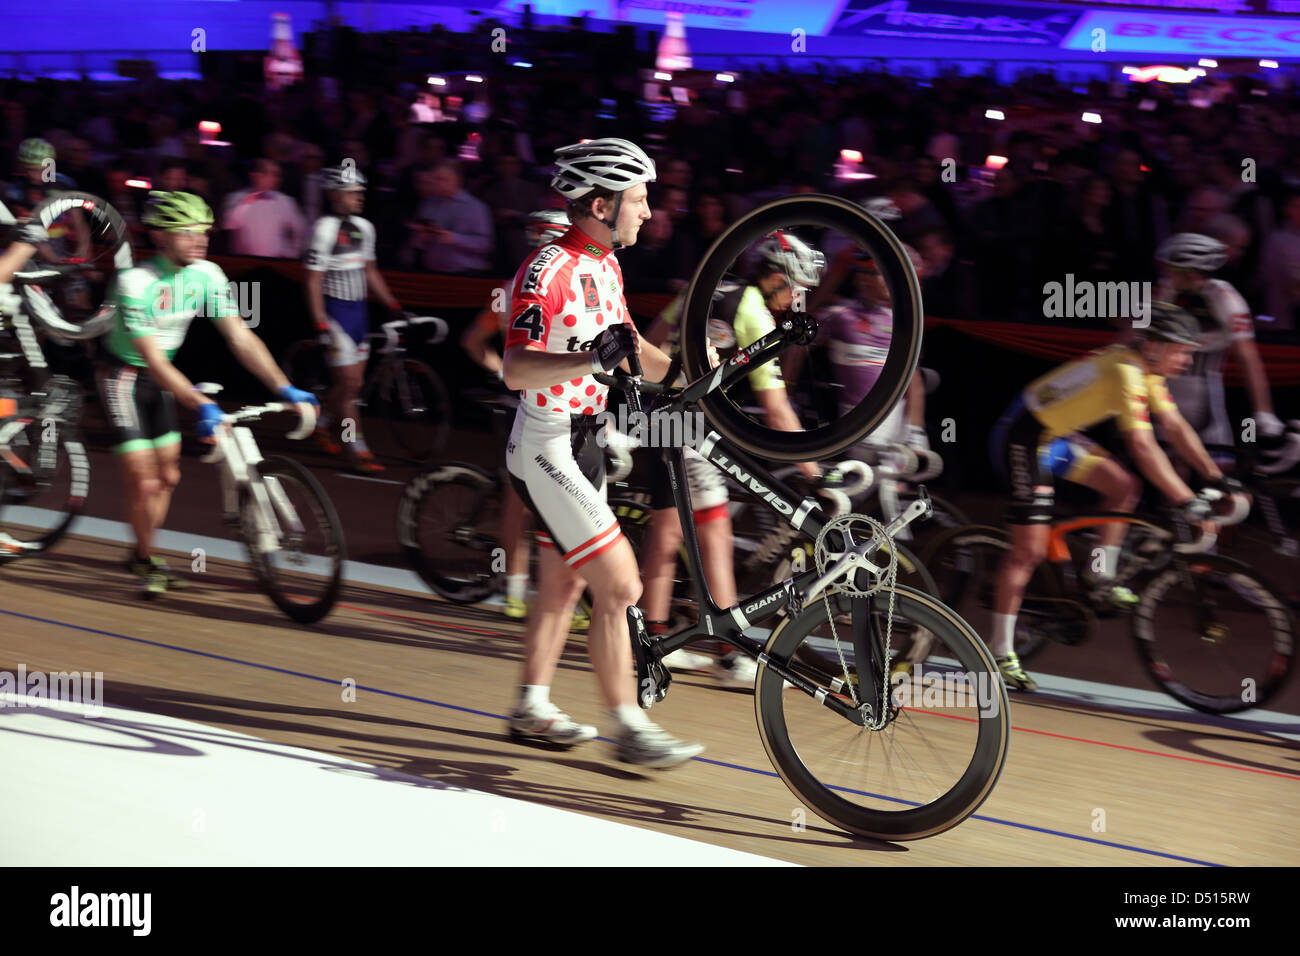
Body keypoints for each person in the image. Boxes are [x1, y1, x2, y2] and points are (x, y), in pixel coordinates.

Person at [501, 137, 702, 768]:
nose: (647, 212)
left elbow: (634, 348)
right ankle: (628, 726)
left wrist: (694, 379)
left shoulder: (607, 263)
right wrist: (591, 358)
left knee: (562, 585)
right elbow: (513, 368)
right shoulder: (548, 268)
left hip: (586, 439)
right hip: (547, 442)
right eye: (639, 199)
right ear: (599, 202)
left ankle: (530, 705)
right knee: (620, 584)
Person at [987, 303, 1229, 691]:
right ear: (1154, 346)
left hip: (1056, 436)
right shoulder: (1125, 371)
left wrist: (1217, 477)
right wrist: (1187, 501)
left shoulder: (1145, 369)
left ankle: (1098, 571)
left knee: (1124, 487)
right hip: (1024, 437)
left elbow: (1175, 425)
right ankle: (998, 651)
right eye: (1181, 350)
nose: (1187, 360)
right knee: (1027, 552)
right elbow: (1143, 445)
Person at [98, 191, 318, 597]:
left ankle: (137, 550)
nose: (201, 241)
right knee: (145, 482)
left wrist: (283, 386)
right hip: (124, 376)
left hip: (162, 376)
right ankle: (146, 559)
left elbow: (240, 335)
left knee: (169, 476)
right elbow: (155, 361)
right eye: (188, 233)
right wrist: (199, 403)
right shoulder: (134, 282)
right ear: (161, 237)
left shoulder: (210, 274)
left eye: (205, 233)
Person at [640, 231, 826, 686]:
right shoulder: (754, 312)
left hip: (655, 411)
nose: (798, 300)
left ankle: (654, 642)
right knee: (714, 536)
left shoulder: (706, 284)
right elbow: (779, 408)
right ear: (777, 277)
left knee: (668, 536)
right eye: (797, 288)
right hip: (683, 424)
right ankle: (729, 652)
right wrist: (816, 474)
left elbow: (651, 340)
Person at [460, 209, 587, 631]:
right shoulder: (527, 283)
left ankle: (548, 588)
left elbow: (476, 342)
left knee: (548, 497)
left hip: (550, 400)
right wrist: (506, 375)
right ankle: (517, 590)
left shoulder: (539, 279)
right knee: (522, 500)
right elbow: (475, 341)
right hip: (531, 400)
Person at [304, 166, 403, 474]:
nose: (360, 197)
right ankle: (356, 447)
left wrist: (391, 302)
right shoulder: (323, 229)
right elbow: (312, 281)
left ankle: (321, 423)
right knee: (350, 384)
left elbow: (370, 270)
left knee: (350, 386)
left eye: (361, 192)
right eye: (353, 193)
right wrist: (320, 320)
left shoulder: (365, 226)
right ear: (335, 195)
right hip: (335, 313)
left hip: (359, 313)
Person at [1153, 234, 1282, 456]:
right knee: (1169, 467)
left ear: (1191, 272)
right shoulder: (1165, 290)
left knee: (1222, 468)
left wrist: (1263, 411)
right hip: (1163, 394)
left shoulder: (1224, 297)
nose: (1167, 274)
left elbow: (1247, 356)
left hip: (1206, 398)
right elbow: (1132, 335)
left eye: (1172, 269)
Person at [221, 159, 308, 258]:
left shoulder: (285, 201)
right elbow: (228, 225)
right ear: (256, 175)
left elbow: (301, 229)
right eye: (272, 174)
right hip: (244, 262)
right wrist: (246, 202)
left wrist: (292, 253)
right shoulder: (235, 198)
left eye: (277, 175)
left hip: (276, 262)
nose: (276, 179)